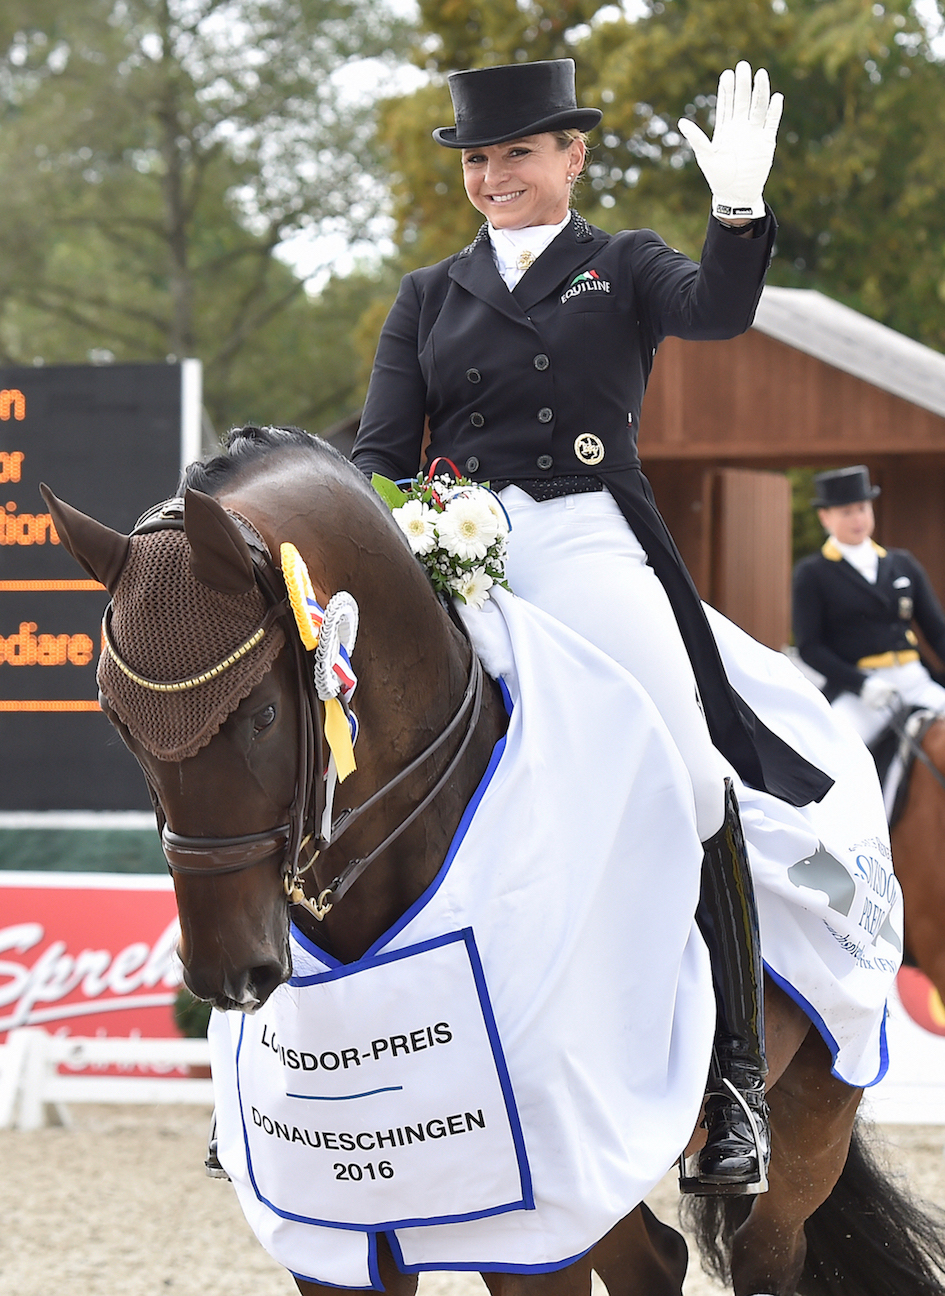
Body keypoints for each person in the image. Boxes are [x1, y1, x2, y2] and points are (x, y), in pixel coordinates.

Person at [353, 56, 833, 1193]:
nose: (492, 175)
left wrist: (737, 211)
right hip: (455, 554)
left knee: (696, 777)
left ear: (571, 156)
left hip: (584, 539)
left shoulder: (618, 266)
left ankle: (732, 1095)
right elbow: (379, 454)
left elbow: (718, 309)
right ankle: (300, 1054)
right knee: (341, 745)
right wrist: (384, 522)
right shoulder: (428, 292)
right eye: (477, 159)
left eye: (517, 153)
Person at [793, 464, 945, 747]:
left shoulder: (903, 564)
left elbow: (937, 631)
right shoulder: (813, 573)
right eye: (846, 512)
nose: (857, 519)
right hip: (864, 691)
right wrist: (861, 684)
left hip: (915, 680)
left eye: (862, 508)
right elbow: (810, 647)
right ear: (825, 517)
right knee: (833, 751)